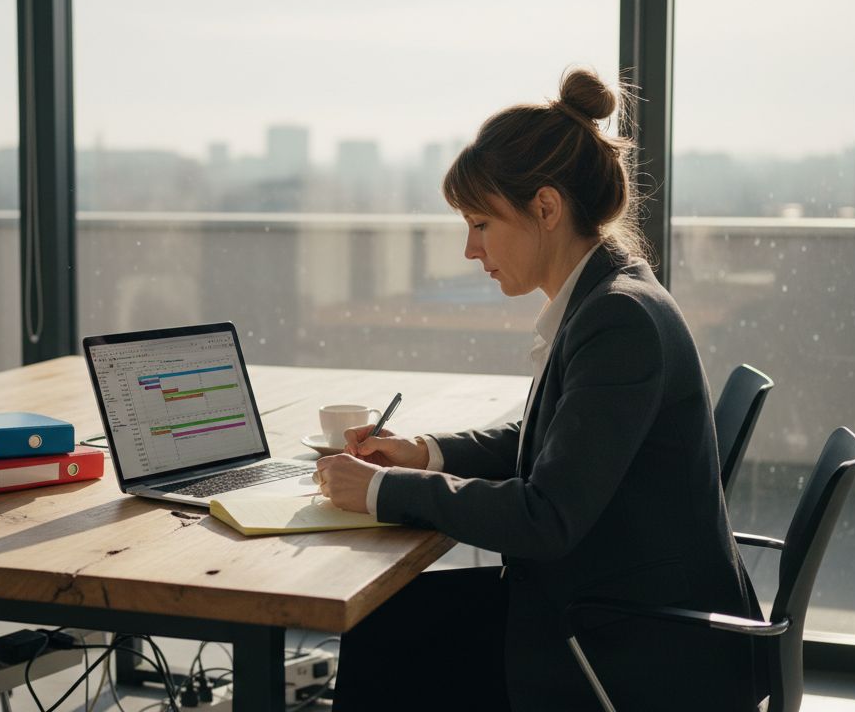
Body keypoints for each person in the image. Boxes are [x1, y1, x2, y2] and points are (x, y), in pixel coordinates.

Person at [314, 68, 762, 711]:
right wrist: (423, 453)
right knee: (386, 628)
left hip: (626, 650)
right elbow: (554, 443)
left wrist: (383, 490)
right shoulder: (610, 294)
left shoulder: (619, 320)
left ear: (545, 208)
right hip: (615, 608)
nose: (470, 249)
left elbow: (546, 517)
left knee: (384, 638)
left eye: (480, 224)